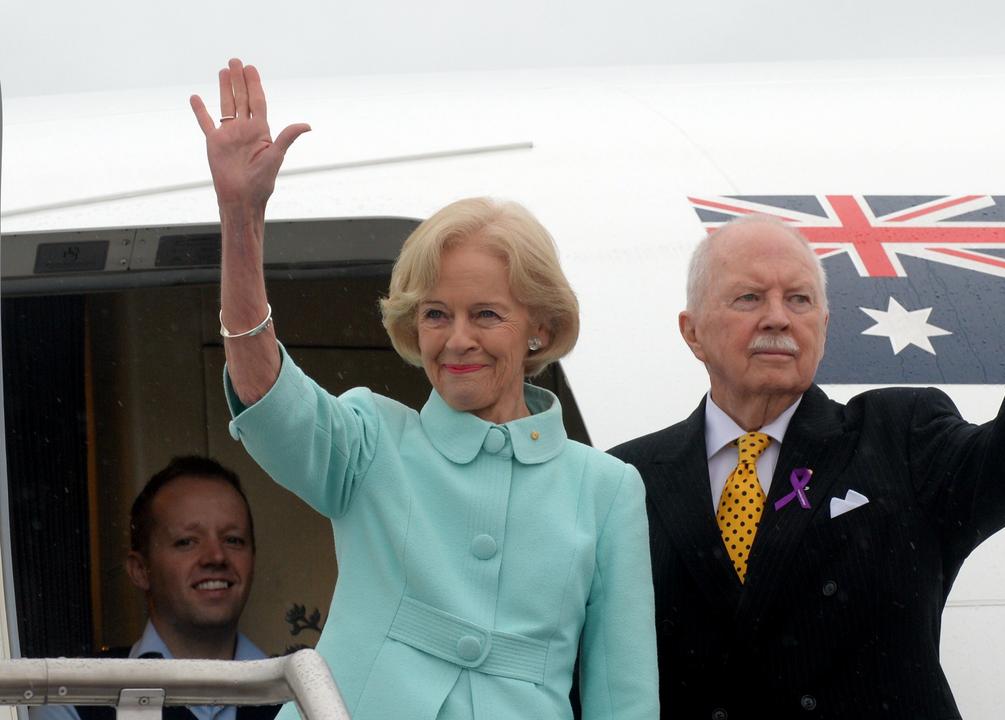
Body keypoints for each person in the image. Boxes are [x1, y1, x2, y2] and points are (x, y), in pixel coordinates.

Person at [189, 59, 657, 720]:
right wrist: (242, 218)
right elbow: (265, 390)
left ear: (539, 328)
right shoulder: (370, 440)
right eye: (436, 314)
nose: (456, 338)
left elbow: (625, 701)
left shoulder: (606, 491)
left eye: (485, 314)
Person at [609, 210, 1005, 718]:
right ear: (692, 333)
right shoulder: (624, 480)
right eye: (749, 299)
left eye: (800, 300)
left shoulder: (899, 435)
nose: (778, 318)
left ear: (824, 325)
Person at [33, 456, 279, 720]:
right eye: (187, 542)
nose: (216, 556)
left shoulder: (296, 694)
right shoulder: (75, 696)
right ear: (140, 570)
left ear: (253, 559)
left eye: (233, 540)